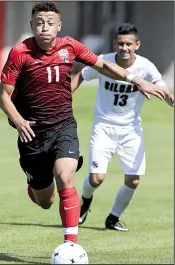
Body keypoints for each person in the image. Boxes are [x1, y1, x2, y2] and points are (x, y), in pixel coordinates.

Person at [0, 0, 166, 246]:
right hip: (32, 133)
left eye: (50, 23)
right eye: (39, 23)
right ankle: (35, 186)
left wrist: (135, 79)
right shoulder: (19, 52)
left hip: (64, 126)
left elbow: (104, 66)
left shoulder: (70, 46)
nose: (45, 27)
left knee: (66, 177)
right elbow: (3, 95)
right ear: (32, 25)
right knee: (46, 201)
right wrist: (18, 119)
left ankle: (71, 246)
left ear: (59, 26)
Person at [71, 23, 174, 232]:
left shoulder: (145, 66)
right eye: (120, 43)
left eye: (128, 44)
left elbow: (159, 84)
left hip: (131, 130)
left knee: (134, 180)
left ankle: (113, 218)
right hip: (104, 127)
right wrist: (65, 96)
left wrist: (169, 97)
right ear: (115, 44)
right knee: (96, 178)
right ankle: (85, 203)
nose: (124, 48)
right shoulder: (105, 62)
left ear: (137, 45)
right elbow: (82, 74)